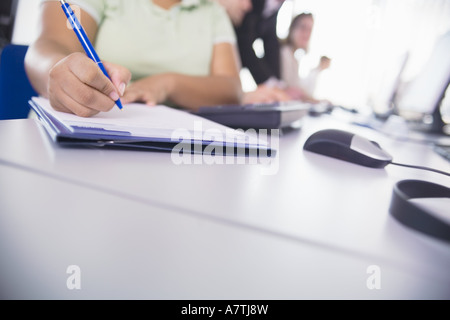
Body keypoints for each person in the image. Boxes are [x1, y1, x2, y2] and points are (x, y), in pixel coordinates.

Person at [25, 0, 243, 117]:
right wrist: (58, 71)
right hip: (84, 138)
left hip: (172, 147)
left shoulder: (211, 10)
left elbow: (232, 90)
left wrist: (166, 84)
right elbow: (46, 47)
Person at [218, 0, 290, 104]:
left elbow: (271, 44)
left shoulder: (276, 6)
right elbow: (245, 42)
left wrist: (277, 85)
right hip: (235, 50)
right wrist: (268, 84)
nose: (248, 6)